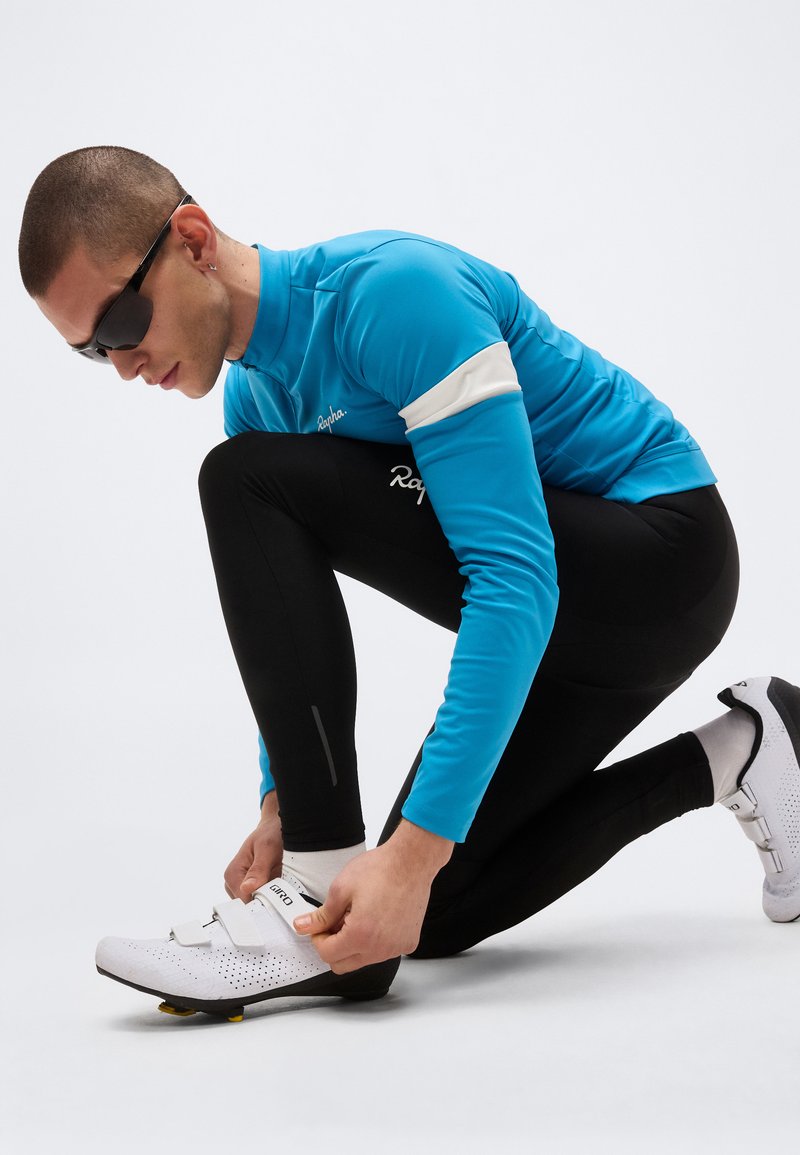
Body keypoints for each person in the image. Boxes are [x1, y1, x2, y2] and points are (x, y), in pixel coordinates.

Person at [18, 145, 800, 1021]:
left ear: (193, 239)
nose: (123, 366)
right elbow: (287, 612)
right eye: (93, 353)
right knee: (418, 914)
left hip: (662, 556)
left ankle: (305, 901)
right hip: (574, 628)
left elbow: (514, 575)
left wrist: (399, 848)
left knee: (242, 480)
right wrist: (282, 798)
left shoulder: (390, 296)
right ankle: (747, 747)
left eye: (121, 325)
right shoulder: (262, 406)